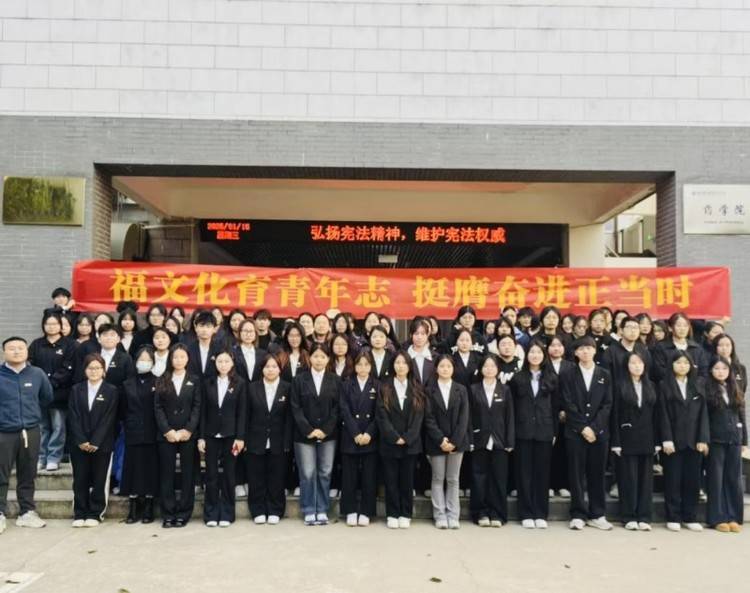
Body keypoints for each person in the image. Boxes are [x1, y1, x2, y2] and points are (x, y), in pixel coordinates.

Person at [0, 337, 53, 534]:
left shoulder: (37, 374)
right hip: (3, 432)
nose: (16, 351)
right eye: (11, 348)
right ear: (4, 352)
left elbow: (47, 398)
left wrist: (30, 414)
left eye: (20, 348)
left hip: (30, 431)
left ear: (27, 351)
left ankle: (27, 512)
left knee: (28, 474)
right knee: (1, 474)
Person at [561, 335, 613, 531]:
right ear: (575, 352)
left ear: (595, 350)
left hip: (599, 433)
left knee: (597, 474)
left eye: (589, 348)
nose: (585, 351)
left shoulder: (604, 375)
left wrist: (594, 428)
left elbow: (607, 404)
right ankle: (578, 513)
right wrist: (583, 427)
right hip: (575, 432)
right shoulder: (567, 374)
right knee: (576, 474)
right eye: (581, 348)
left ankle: (597, 513)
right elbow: (567, 403)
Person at [658, 350, 709, 532]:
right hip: (673, 441)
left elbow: (703, 414)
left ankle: (690, 517)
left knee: (692, 481)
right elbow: (662, 414)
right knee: (673, 480)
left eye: (686, 363)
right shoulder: (664, 385)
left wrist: (703, 438)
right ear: (672, 365)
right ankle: (673, 516)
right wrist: (666, 439)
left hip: (694, 441)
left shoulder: (697, 385)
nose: (682, 366)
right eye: (679, 362)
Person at [510, 340, 559, 529]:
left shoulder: (552, 378)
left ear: (544, 355)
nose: (535, 355)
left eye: (539, 352)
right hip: (523, 431)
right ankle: (526, 513)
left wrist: (554, 431)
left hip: (544, 430)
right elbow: (512, 408)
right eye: (532, 352)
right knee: (524, 474)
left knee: (542, 473)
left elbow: (555, 408)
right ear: (526, 355)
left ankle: (540, 513)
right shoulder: (518, 378)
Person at [290, 343, 341, 525]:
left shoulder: (335, 380)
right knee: (307, 472)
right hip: (304, 434)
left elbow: (337, 408)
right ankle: (309, 509)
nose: (319, 360)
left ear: (328, 359)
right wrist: (309, 429)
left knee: (325, 472)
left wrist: (325, 430)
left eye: (323, 357)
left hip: (328, 434)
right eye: (316, 356)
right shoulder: (299, 380)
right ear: (309, 358)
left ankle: (322, 509)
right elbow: (295, 407)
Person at [68, 354, 119, 527]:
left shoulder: (111, 390)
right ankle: (79, 512)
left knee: (99, 479)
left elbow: (109, 418)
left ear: (103, 370)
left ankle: (95, 513)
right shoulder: (76, 389)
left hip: (102, 444)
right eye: (90, 368)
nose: (94, 371)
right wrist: (81, 440)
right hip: (79, 443)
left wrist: (96, 441)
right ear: (85, 370)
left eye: (98, 368)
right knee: (80, 478)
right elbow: (73, 416)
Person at [610, 352, 659, 531]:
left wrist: (658, 441)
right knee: (628, 478)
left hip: (647, 437)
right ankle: (628, 516)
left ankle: (644, 516)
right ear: (626, 366)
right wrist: (615, 441)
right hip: (626, 436)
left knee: (646, 481)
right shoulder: (619, 385)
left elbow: (657, 415)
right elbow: (614, 414)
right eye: (633, 363)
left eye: (640, 363)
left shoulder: (651, 385)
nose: (637, 366)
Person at [376, 351, 425, 529]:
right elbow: (381, 415)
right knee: (390, 481)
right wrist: (394, 436)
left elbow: (419, 416)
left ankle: (405, 513)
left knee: (407, 481)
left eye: (404, 363)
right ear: (392, 365)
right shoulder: (384, 387)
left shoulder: (417, 387)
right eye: (397, 363)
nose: (401, 366)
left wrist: (408, 437)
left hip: (410, 444)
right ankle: (392, 513)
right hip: (389, 443)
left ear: (409, 366)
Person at [154, 344, 202, 528]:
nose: (179, 360)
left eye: (182, 357)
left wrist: (188, 430)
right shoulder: (162, 379)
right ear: (170, 359)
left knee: (188, 474)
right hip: (166, 434)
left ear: (188, 359)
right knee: (166, 474)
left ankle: (184, 513)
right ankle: (168, 513)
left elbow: (197, 406)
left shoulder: (195, 380)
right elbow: (157, 407)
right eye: (175, 357)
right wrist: (167, 431)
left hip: (188, 435)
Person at [198, 351, 247, 527]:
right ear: (215, 363)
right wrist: (201, 437)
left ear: (232, 363)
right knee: (211, 474)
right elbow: (203, 412)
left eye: (226, 361)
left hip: (231, 436)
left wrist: (240, 437)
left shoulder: (240, 383)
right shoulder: (207, 383)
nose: (223, 364)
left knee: (229, 474)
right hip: (211, 434)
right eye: (220, 361)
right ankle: (211, 513)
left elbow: (242, 412)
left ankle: (227, 513)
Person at [424, 354, 470, 529]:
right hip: (436, 441)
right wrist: (440, 439)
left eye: (448, 366)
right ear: (436, 368)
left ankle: (453, 515)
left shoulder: (461, 389)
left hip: (457, 442)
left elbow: (464, 418)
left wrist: (454, 441)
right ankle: (440, 515)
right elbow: (428, 418)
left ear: (453, 369)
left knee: (453, 479)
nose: (445, 369)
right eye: (442, 366)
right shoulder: (429, 390)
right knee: (437, 478)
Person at [245, 354, 292, 524]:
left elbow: (289, 418)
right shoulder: (252, 388)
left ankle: (275, 509)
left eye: (274, 366)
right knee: (256, 476)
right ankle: (257, 510)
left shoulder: (287, 388)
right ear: (262, 369)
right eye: (267, 367)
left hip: (279, 440)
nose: (270, 370)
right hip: (255, 438)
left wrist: (287, 441)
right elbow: (246, 415)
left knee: (277, 477)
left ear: (280, 369)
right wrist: (244, 439)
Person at [469, 354, 514, 527]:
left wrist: (509, 441)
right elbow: (469, 417)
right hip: (479, 439)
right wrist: (470, 439)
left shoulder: (505, 390)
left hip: (500, 440)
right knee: (479, 478)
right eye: (486, 366)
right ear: (481, 369)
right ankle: (480, 513)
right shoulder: (473, 389)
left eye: (492, 366)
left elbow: (509, 416)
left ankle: (497, 513)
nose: (489, 369)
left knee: (498, 478)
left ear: (498, 369)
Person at [28, 311, 76, 472]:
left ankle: (54, 457)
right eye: (48, 324)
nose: (51, 327)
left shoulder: (69, 345)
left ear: (60, 326)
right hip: (39, 394)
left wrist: (51, 382)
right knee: (42, 427)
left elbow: (68, 368)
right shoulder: (36, 344)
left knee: (58, 426)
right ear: (43, 325)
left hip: (60, 393)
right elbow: (30, 365)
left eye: (55, 323)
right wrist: (40, 385)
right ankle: (41, 457)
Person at [704, 356, 747, 532]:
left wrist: (744, 440)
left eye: (724, 368)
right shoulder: (707, 389)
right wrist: (705, 439)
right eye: (717, 368)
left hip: (734, 439)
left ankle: (734, 517)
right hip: (716, 440)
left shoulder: (734, 388)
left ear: (729, 371)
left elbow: (741, 416)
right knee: (716, 479)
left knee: (734, 479)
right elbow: (704, 418)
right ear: (711, 371)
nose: (720, 372)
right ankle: (717, 518)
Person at [120, 346, 159, 524]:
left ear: (153, 362)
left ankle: (149, 506)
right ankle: (134, 506)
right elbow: (123, 409)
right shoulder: (127, 384)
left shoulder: (159, 382)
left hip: (153, 431)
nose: (144, 362)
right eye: (141, 359)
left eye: (148, 360)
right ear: (136, 362)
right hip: (133, 431)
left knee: (151, 468)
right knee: (133, 468)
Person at [339, 351, 379, 526]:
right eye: (359, 364)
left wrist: (369, 433)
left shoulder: (377, 385)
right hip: (350, 435)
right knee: (349, 476)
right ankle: (350, 510)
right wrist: (355, 433)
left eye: (366, 364)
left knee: (369, 476)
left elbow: (380, 413)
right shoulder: (346, 385)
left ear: (371, 366)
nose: (363, 368)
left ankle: (366, 511)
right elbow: (344, 409)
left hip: (371, 436)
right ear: (354, 366)